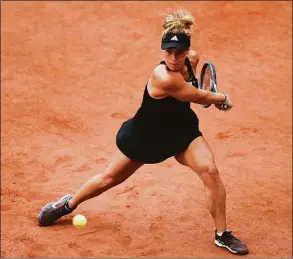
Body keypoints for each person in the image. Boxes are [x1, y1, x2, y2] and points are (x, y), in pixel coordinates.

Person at [38, 10, 248, 255]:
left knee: (210, 171)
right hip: (147, 137)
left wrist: (206, 98)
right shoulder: (163, 77)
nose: (174, 57)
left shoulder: (192, 59)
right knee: (109, 179)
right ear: (162, 51)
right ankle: (68, 204)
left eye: (179, 52)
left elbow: (194, 93)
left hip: (182, 132)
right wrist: (221, 98)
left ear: (187, 51)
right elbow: (199, 95)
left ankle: (222, 234)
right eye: (168, 52)